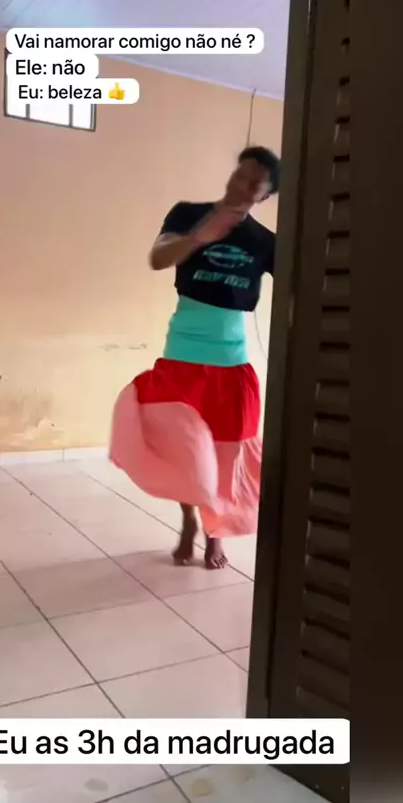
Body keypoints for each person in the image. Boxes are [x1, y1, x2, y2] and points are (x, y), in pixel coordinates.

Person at [110, 146, 280, 569]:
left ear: (265, 196)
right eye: (239, 175)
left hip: (232, 362)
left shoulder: (265, 241)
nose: (241, 186)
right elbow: (158, 258)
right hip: (182, 356)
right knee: (184, 451)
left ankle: (214, 533)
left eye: (254, 184)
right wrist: (200, 237)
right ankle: (188, 520)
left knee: (225, 455)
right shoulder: (187, 214)